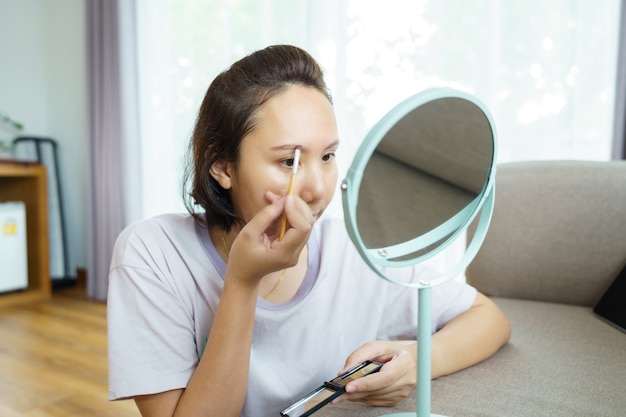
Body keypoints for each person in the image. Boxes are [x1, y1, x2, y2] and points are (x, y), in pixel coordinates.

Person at [107, 44, 511, 417]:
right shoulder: (152, 255)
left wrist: (416, 361)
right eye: (289, 162)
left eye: (329, 156)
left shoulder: (354, 251)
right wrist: (243, 283)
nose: (318, 188)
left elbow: (487, 319)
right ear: (223, 167)